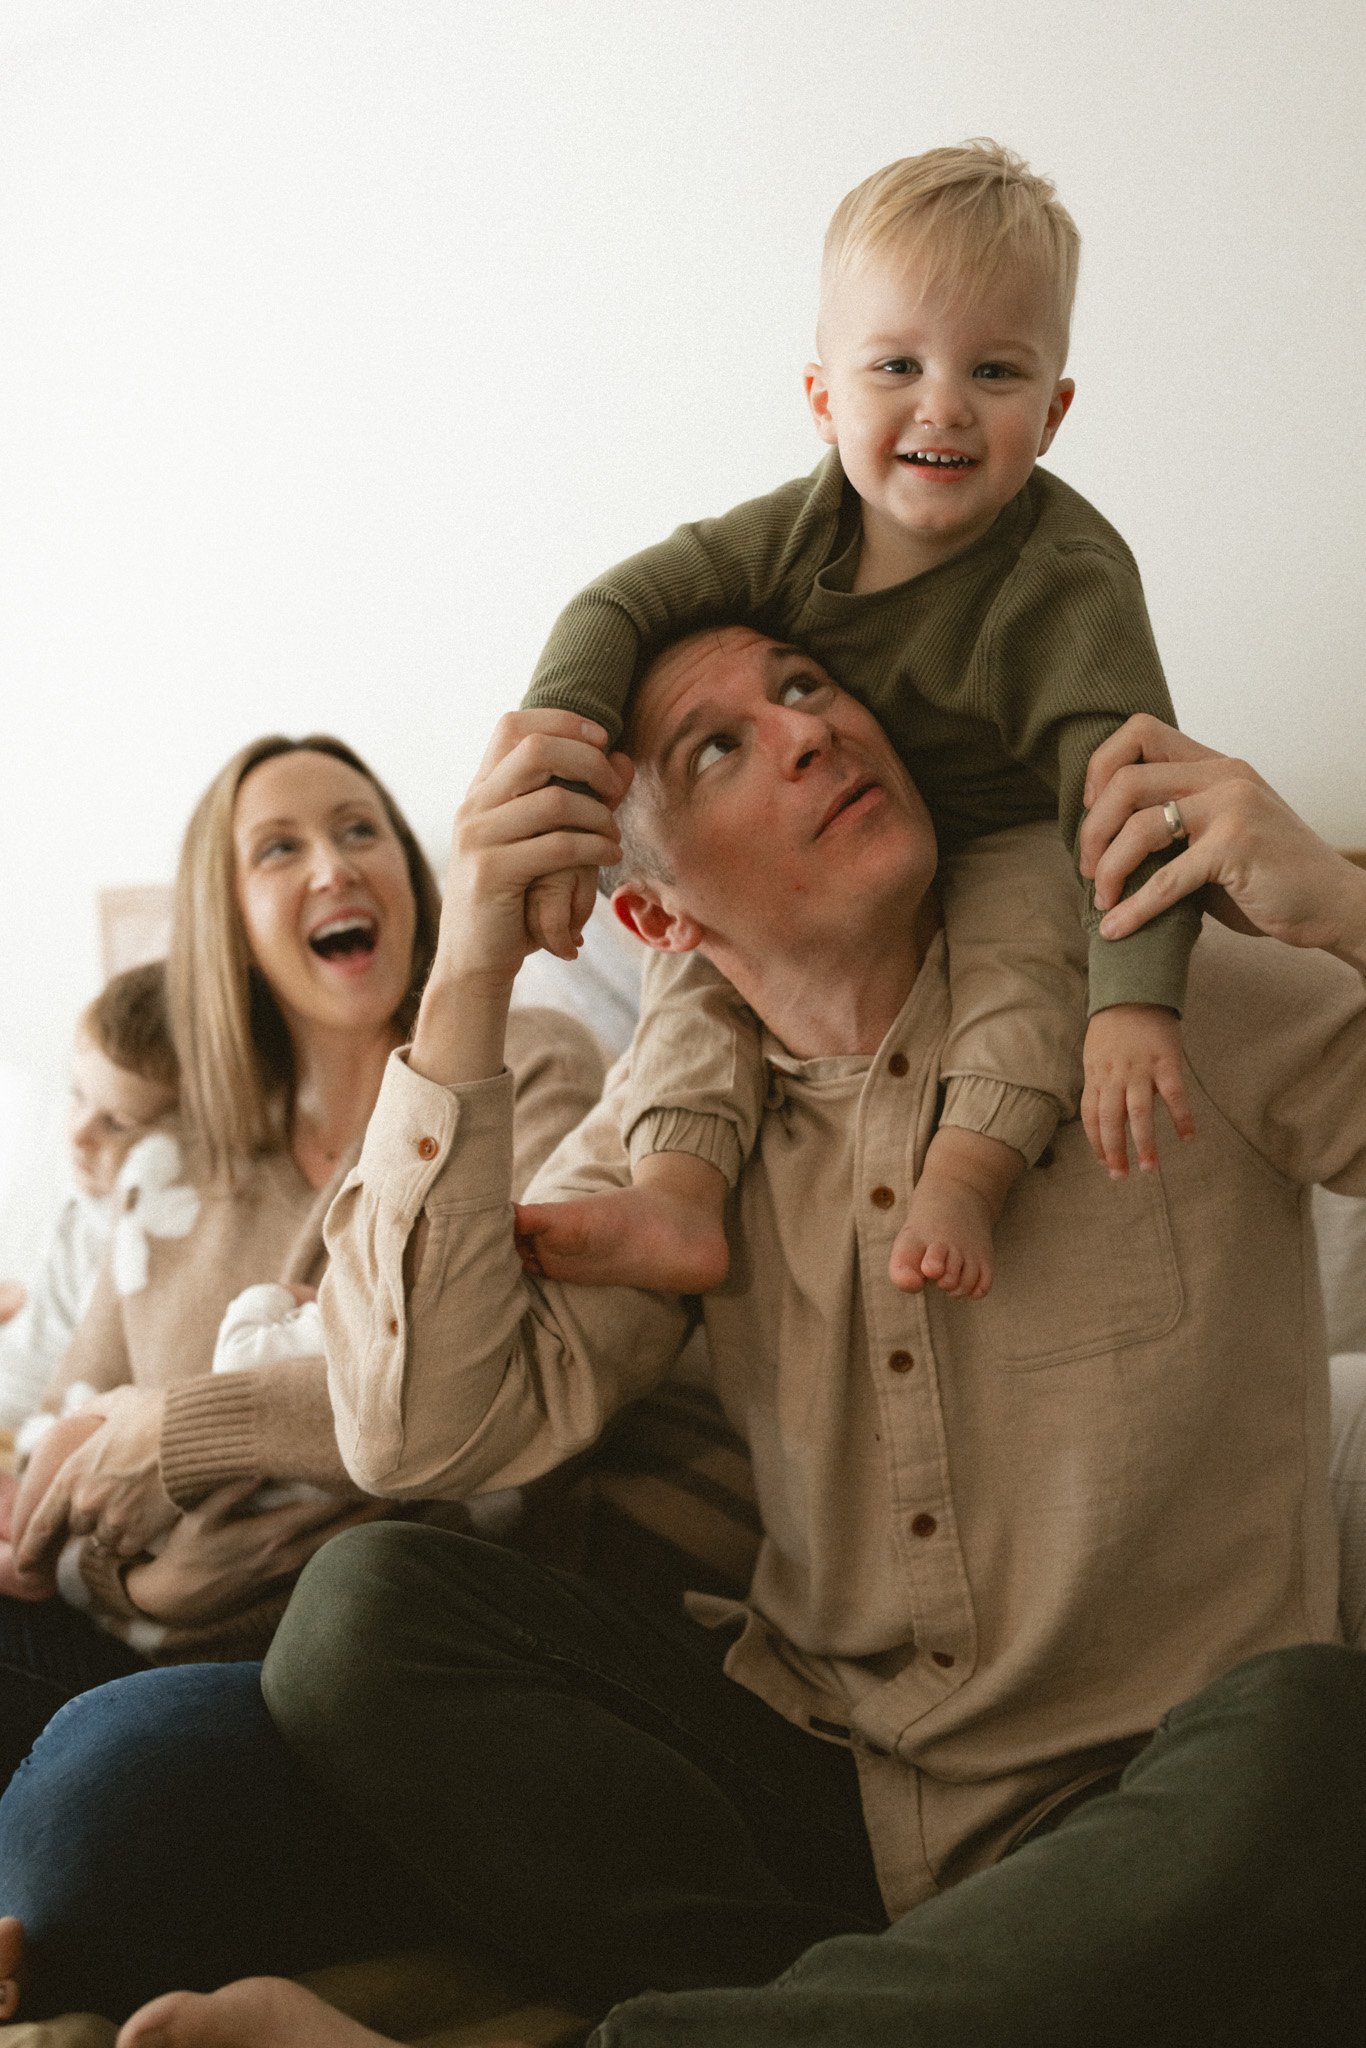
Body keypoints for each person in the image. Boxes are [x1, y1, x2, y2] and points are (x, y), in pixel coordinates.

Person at [5, 652, 1366, 2047]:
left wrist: (1342, 910)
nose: (807, 730)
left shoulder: (1153, 994)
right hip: (833, 1804)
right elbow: (415, 1433)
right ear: (656, 914)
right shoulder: (672, 1155)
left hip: (1156, 1797)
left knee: (1323, 1738)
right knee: (364, 1616)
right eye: (717, 748)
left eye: (807, 688)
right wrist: (466, 961)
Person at [516, 141, 1197, 1306]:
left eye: (993, 370)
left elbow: (1131, 797)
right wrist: (557, 771)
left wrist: (1134, 1003)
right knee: (696, 971)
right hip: (824, 870)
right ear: (823, 397)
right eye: (896, 365)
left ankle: (966, 1175)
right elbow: (616, 605)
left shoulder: (1068, 582)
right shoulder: (790, 536)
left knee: (1028, 948)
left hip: (1005, 826)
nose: (942, 403)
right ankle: (678, 1191)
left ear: (1053, 410)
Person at [0, 731, 603, 1792]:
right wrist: (150, 1583)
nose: (333, 865)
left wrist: (171, 1437)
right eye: (278, 848)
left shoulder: (530, 1059)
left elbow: (476, 1394)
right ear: (225, 920)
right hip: (130, 1636)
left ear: (414, 882)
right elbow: (59, 1457)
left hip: (376, 1663)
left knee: (97, 1791)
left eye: (359, 829)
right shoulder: (174, 1150)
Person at [0, 963, 178, 1443]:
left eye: (116, 1123)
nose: (78, 1133)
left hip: (24, 1422)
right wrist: (25, 1300)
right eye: (78, 1095)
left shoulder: (142, 1239)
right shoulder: (91, 1188)